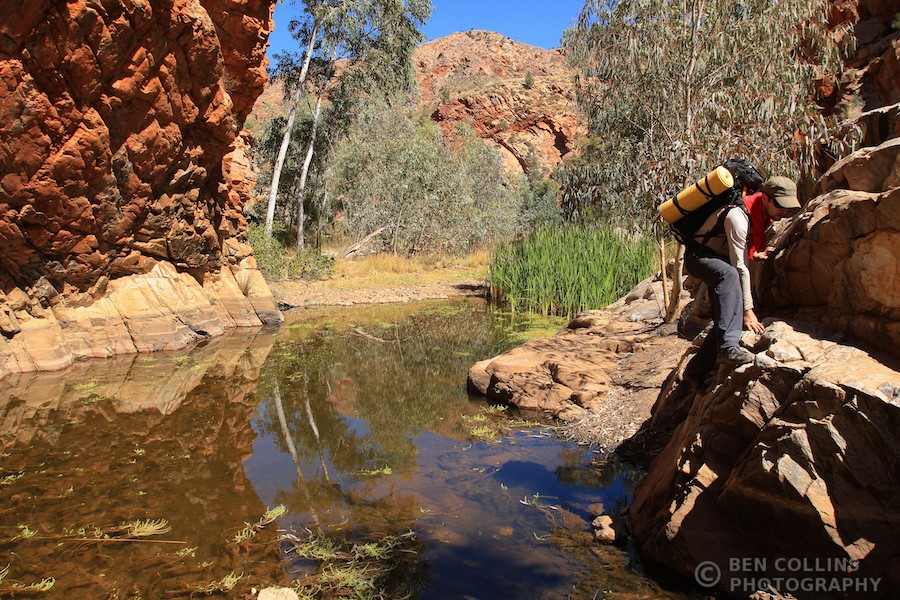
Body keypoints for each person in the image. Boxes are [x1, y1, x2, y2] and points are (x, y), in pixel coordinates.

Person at [683, 175, 800, 381]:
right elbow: (740, 267)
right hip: (699, 257)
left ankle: (695, 372)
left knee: (727, 316)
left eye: (789, 207)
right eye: (781, 205)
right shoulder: (737, 215)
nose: (785, 211)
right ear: (765, 198)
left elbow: (741, 250)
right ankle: (729, 348)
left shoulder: (759, 214)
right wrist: (748, 310)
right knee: (729, 277)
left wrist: (754, 254)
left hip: (719, 257)